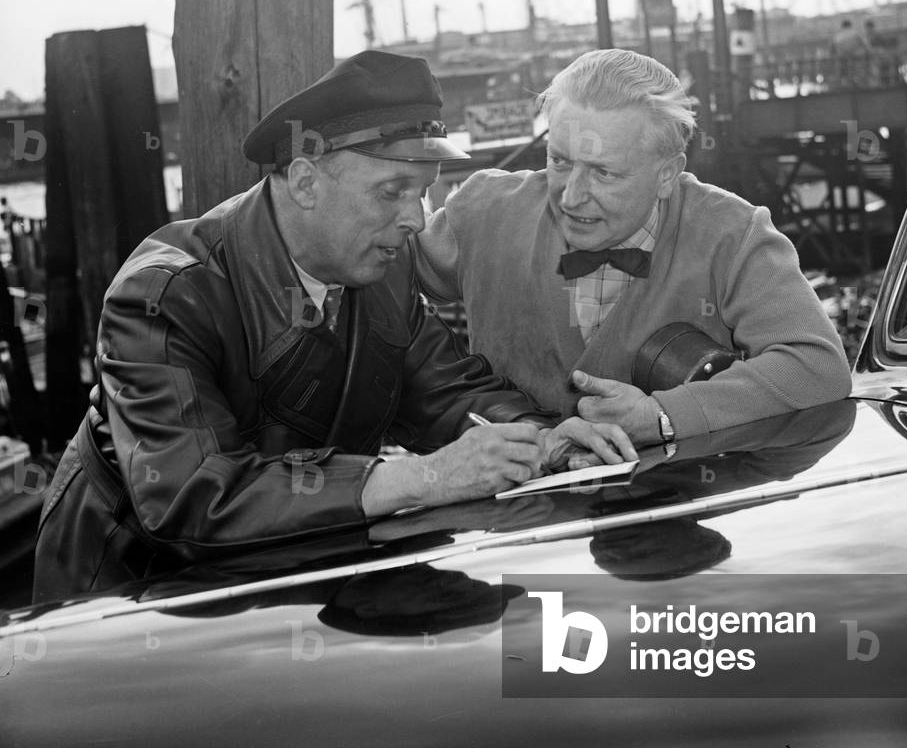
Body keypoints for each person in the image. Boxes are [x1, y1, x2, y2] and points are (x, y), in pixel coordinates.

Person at [33, 50, 633, 601]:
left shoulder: (381, 268)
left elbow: (446, 391)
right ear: (304, 182)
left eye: (423, 193)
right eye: (393, 191)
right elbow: (191, 498)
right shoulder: (165, 294)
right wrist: (422, 477)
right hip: (132, 591)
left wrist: (541, 438)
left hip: (299, 568)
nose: (415, 220)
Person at [413, 49, 852, 450]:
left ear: (667, 175)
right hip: (520, 504)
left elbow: (817, 366)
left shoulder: (733, 235)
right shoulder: (483, 211)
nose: (570, 197)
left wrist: (664, 416)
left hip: (682, 497)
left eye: (603, 173)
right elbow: (385, 282)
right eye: (560, 161)